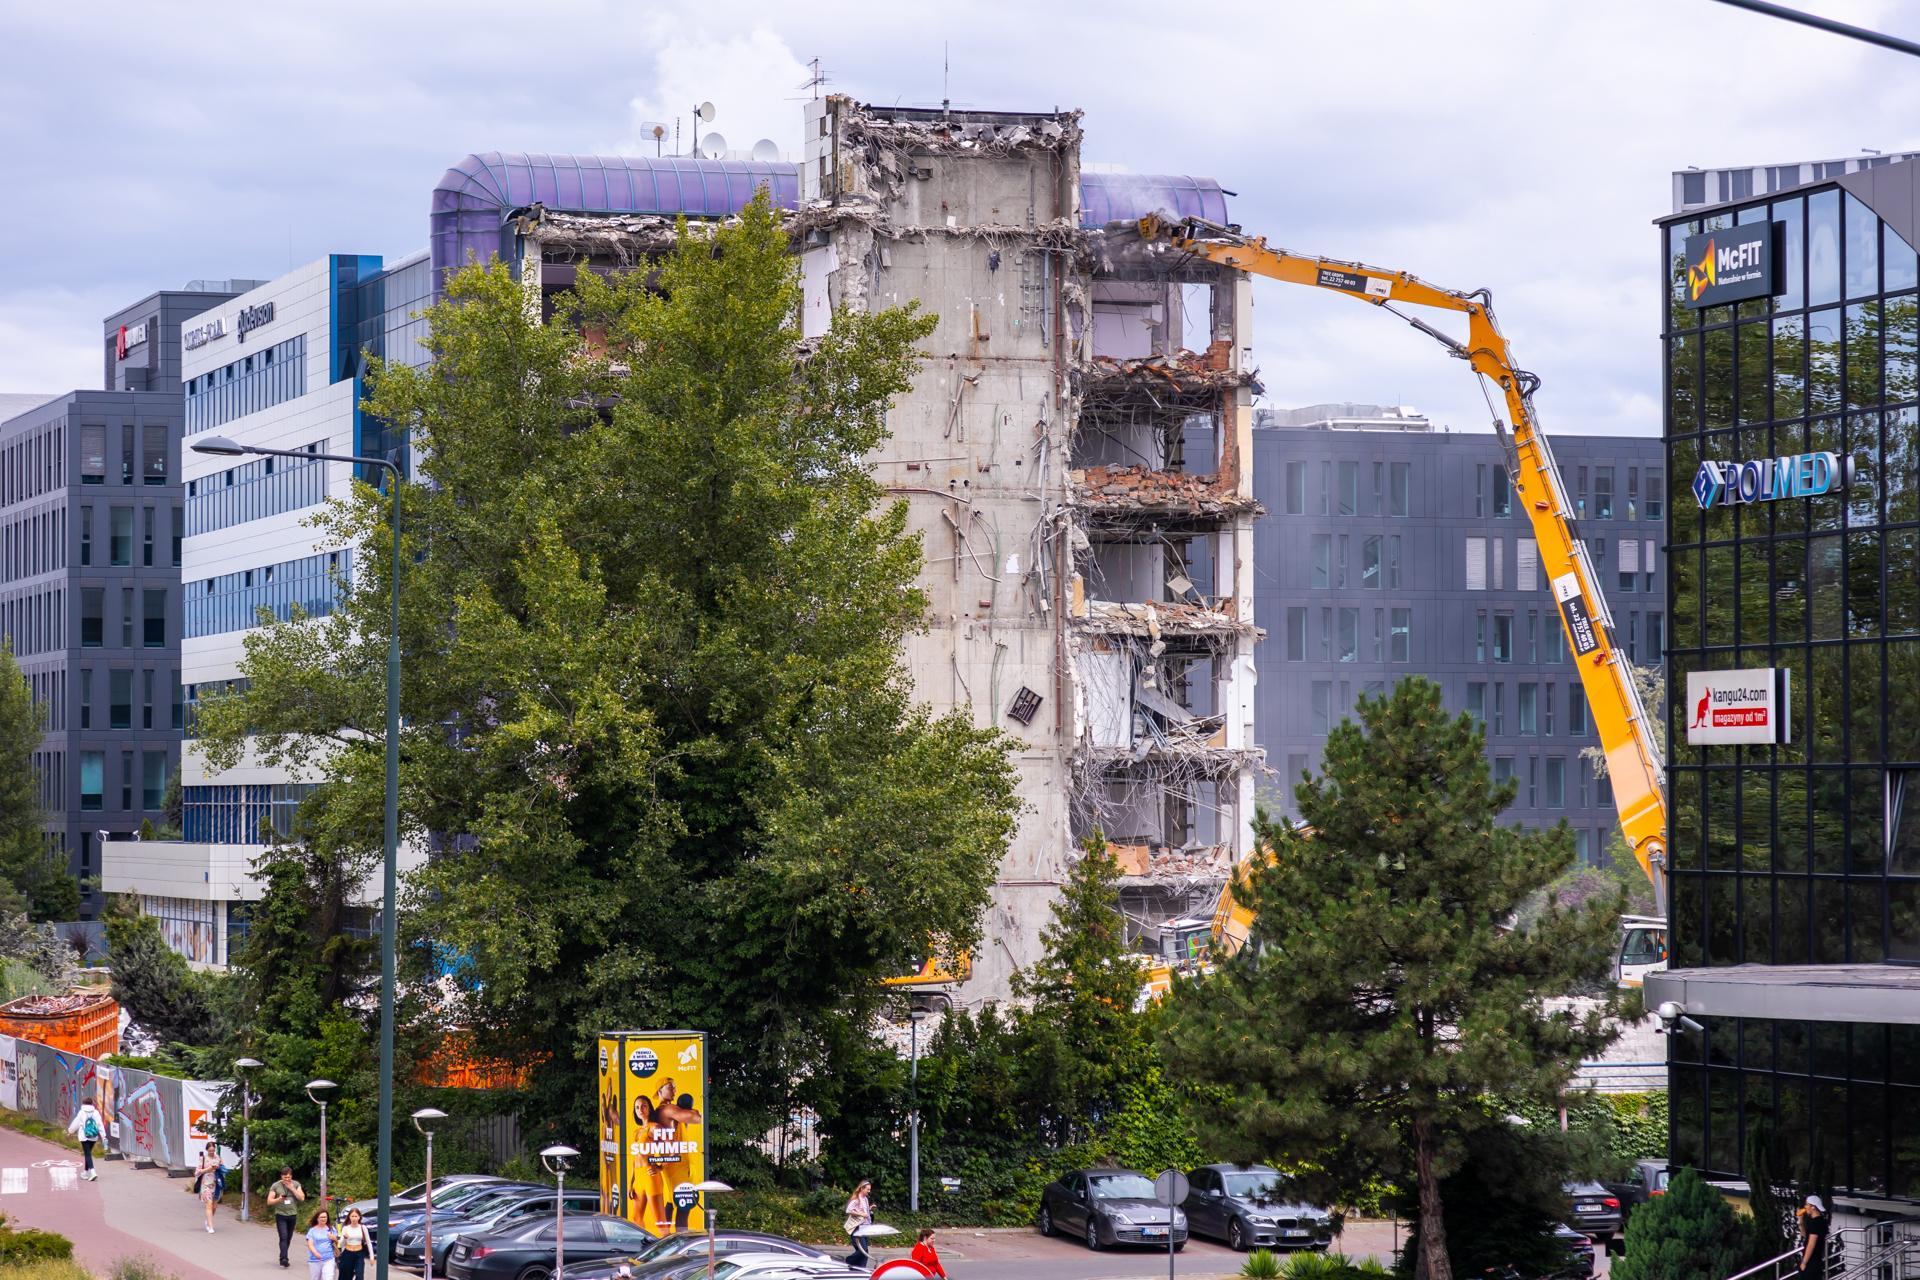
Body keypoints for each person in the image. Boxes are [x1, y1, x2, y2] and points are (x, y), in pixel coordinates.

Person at [268, 1167, 307, 1268]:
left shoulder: (296, 1184)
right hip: (280, 1215)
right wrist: (279, 1199)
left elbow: (302, 1198)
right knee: (283, 1236)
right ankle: (284, 1259)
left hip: (292, 1215)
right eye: (285, 1177)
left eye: (289, 1177)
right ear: (281, 1176)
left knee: (288, 1238)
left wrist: (292, 1188)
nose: (287, 1179)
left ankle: (283, 1255)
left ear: (291, 1176)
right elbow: (269, 1201)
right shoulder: (276, 1186)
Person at [65, 1099, 105, 1181]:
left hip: (84, 1136)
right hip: (93, 1136)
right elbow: (100, 1124)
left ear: (83, 1103)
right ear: (91, 1104)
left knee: (87, 1154)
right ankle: (86, 1172)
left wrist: (70, 1131)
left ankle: (93, 1172)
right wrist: (103, 1136)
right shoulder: (96, 1112)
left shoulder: (81, 1112)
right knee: (88, 1154)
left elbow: (75, 1123)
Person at [1794, 1194, 1830, 1279]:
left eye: (1807, 1204)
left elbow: (1811, 1244)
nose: (1805, 1207)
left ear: (1813, 1207)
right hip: (1815, 1261)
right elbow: (1805, 1235)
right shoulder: (1816, 1220)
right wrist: (1801, 1222)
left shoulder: (1816, 1223)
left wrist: (1804, 1262)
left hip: (1812, 1262)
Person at [843, 1179, 873, 1270]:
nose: (869, 1191)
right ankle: (848, 1261)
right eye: (867, 1189)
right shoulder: (856, 1199)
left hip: (865, 1228)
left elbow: (865, 1212)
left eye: (869, 1189)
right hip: (857, 1229)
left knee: (865, 1252)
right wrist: (861, 1214)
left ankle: (860, 1269)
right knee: (862, 1251)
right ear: (862, 1189)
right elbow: (848, 1210)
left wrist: (870, 1209)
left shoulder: (866, 1199)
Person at [195, 1143, 224, 1234]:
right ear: (207, 1150)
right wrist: (208, 1169)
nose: (211, 1152)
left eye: (213, 1150)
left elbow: (223, 1168)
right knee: (209, 1203)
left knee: (214, 1206)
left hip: (216, 1184)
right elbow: (197, 1172)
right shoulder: (203, 1159)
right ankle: (210, 1226)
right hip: (206, 1184)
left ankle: (208, 1220)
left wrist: (218, 1167)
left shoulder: (218, 1157)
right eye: (210, 1150)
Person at [335, 1207, 370, 1280]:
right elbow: (340, 1244)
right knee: (346, 1277)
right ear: (349, 1217)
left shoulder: (363, 1228)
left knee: (359, 1276)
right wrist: (344, 1238)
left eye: (356, 1216)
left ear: (359, 1217)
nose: (354, 1218)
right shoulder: (345, 1228)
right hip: (347, 1254)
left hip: (359, 1254)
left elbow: (368, 1242)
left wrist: (372, 1256)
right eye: (352, 1216)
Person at [306, 1208, 338, 1280]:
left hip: (329, 1258)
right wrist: (315, 1253)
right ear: (317, 1218)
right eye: (321, 1217)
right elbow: (310, 1244)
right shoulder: (312, 1230)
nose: (323, 1219)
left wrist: (334, 1238)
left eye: (325, 1217)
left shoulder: (331, 1229)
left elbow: (338, 1243)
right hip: (315, 1260)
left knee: (328, 1278)